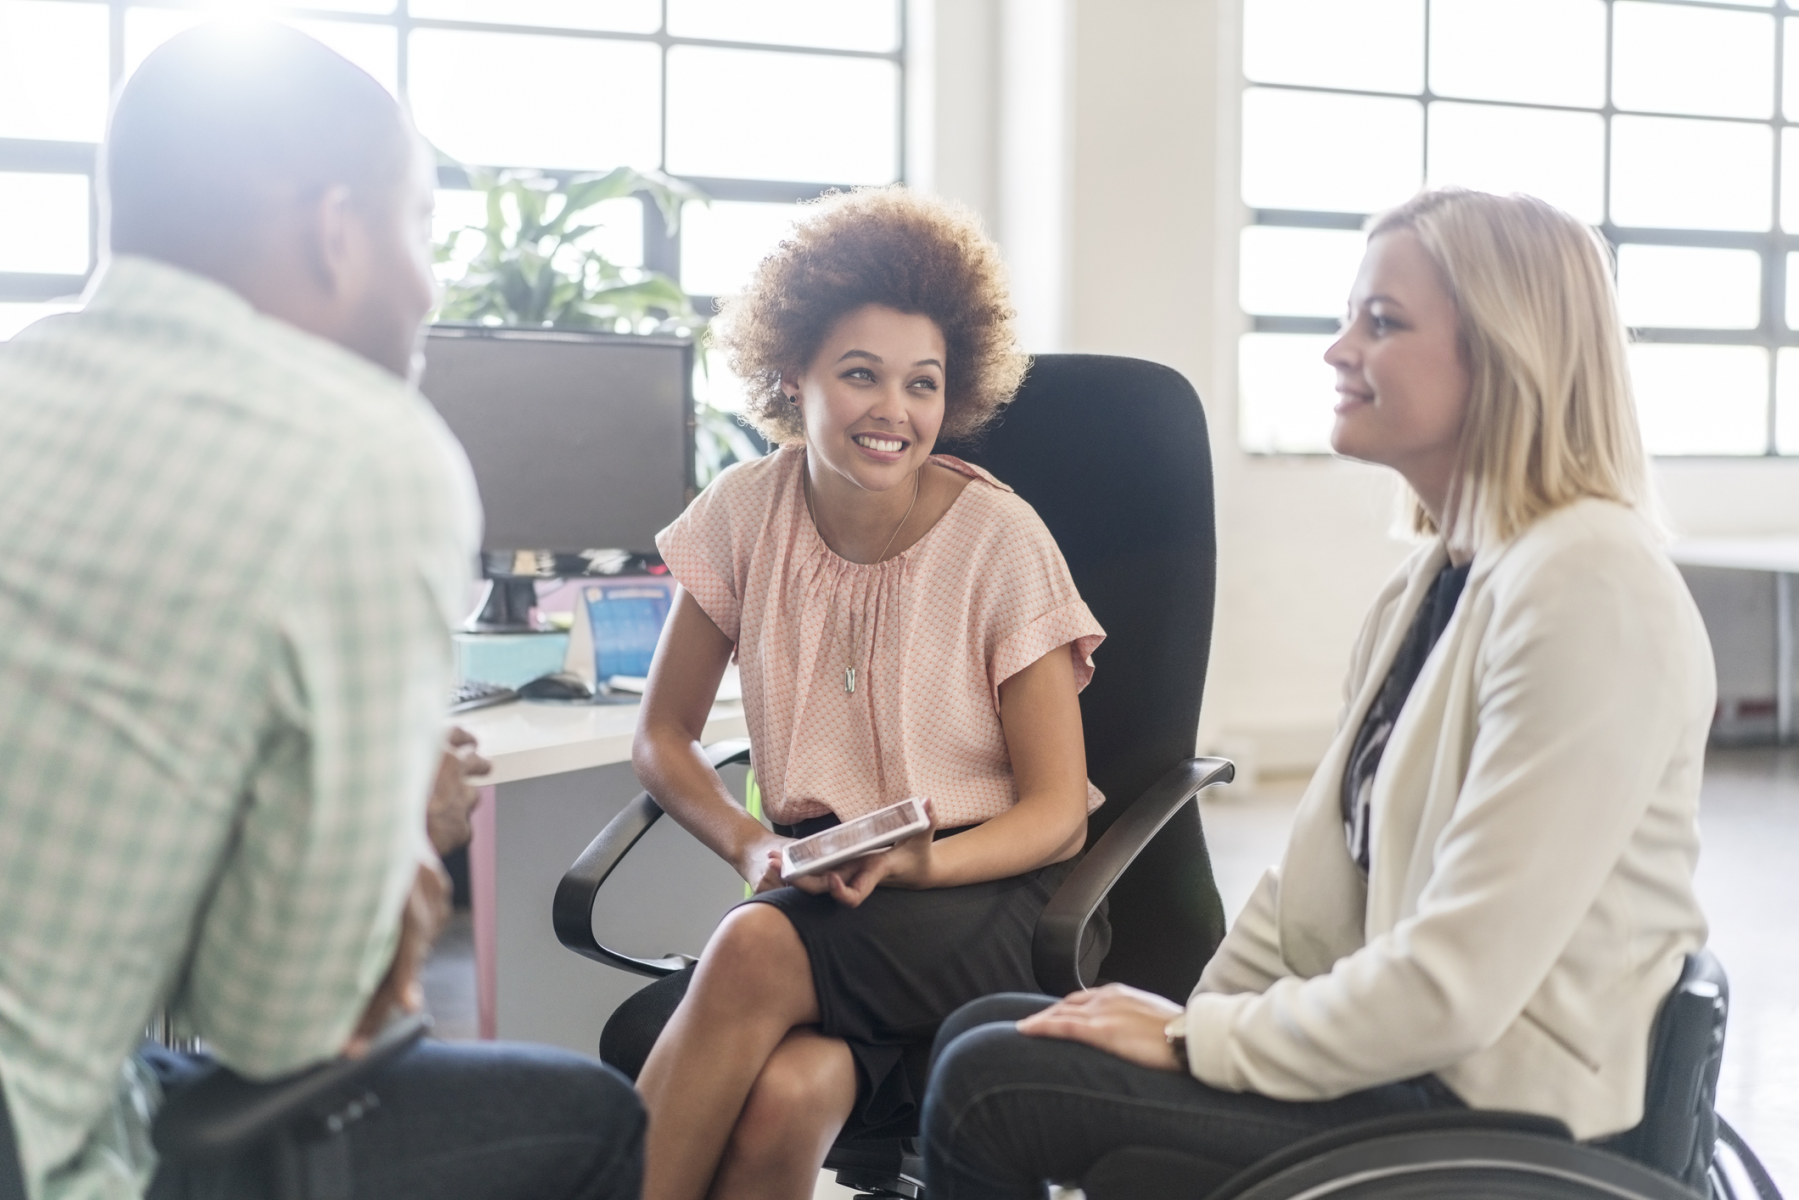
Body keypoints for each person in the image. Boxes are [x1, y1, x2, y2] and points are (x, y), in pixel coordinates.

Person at [920, 188, 1717, 1197]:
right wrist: (1178, 1025)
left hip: (1495, 1111)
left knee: (993, 1083)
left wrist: (1193, 1043)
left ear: (1507, 353)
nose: (1337, 349)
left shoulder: (1589, 589)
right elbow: (1305, 896)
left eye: (1380, 322)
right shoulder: (1434, 579)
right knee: (994, 1028)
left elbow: (1452, 990)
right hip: (1405, 1070)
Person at [0, 22, 641, 1200]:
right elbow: (280, 1024)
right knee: (591, 1121)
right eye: (420, 235)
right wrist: (401, 824)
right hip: (43, 1150)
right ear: (338, 231)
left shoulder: (21, 380)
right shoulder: (356, 449)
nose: (428, 288)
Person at [615, 186, 1106, 1200]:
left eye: (921, 384)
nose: (894, 410)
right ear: (791, 375)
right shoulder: (743, 513)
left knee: (750, 946)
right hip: (824, 884)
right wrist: (753, 844)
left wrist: (917, 867)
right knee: (787, 1096)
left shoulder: (997, 541)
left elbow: (1058, 817)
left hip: (989, 893)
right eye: (859, 375)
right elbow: (660, 736)